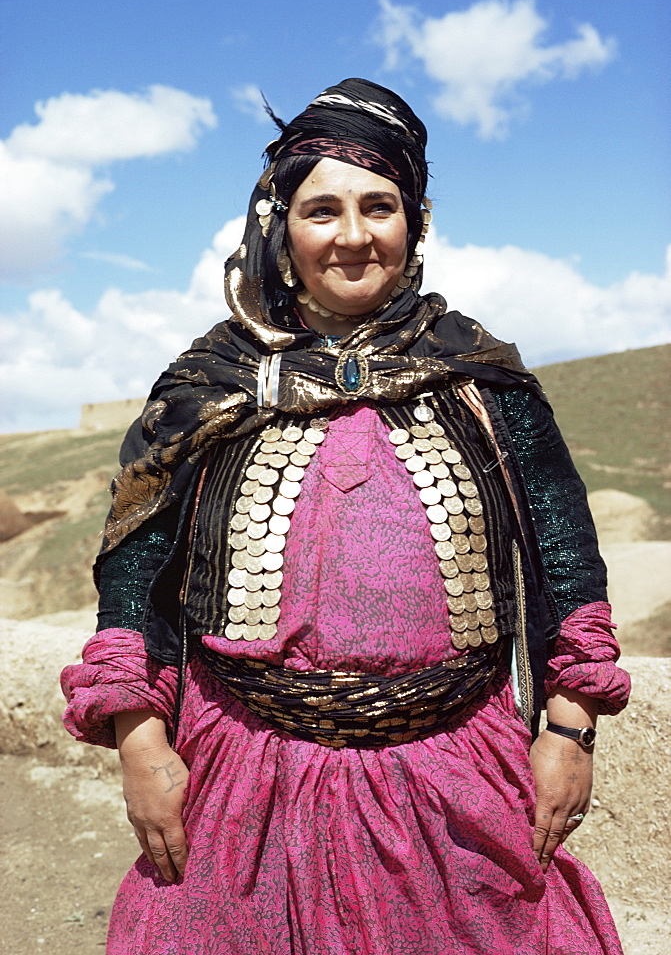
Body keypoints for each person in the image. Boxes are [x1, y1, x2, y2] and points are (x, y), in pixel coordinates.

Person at [61, 78, 630, 955]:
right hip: (241, 782)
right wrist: (141, 742)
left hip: (457, 775)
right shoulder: (206, 387)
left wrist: (567, 729)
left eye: (380, 206)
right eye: (322, 210)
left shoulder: (485, 381)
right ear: (279, 227)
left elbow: (565, 559)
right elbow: (135, 578)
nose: (354, 236)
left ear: (417, 223)